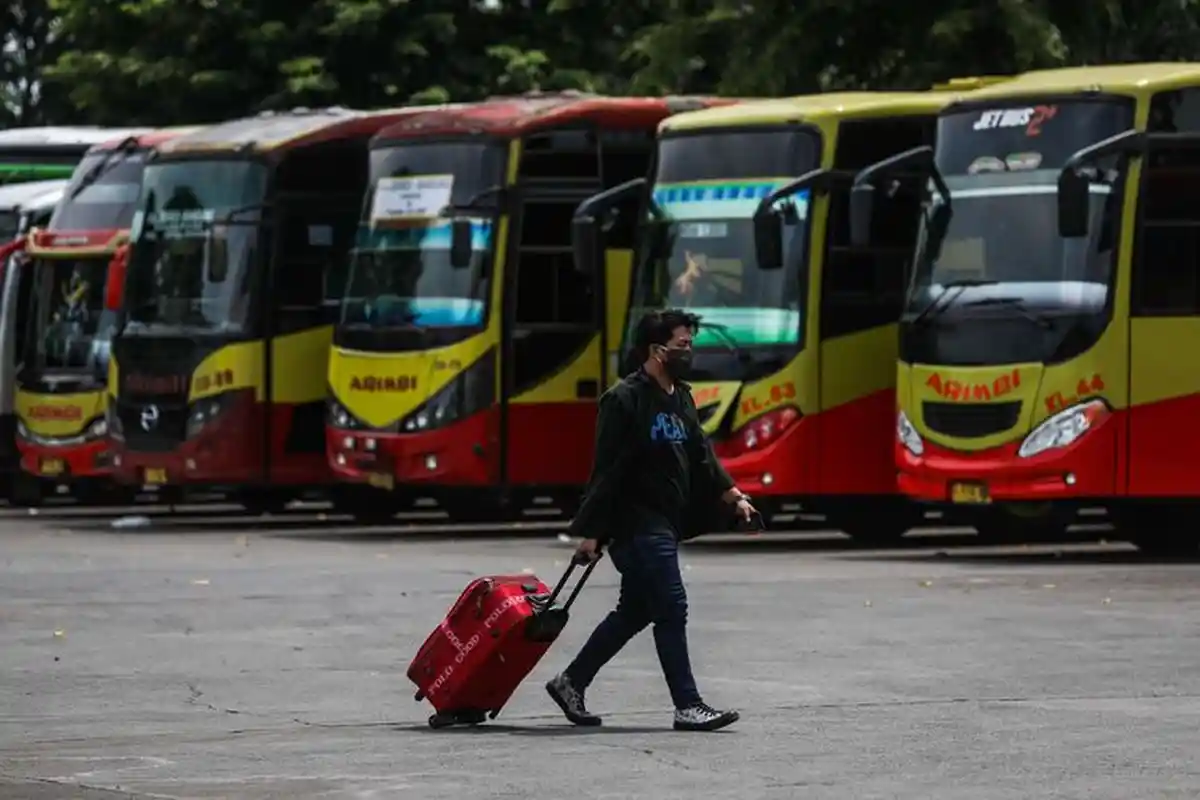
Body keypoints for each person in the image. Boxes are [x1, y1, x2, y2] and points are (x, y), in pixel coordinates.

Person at [545, 308, 758, 732]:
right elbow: (605, 471)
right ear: (657, 350)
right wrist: (591, 532)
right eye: (683, 344)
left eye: (691, 344)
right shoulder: (623, 399)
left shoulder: (681, 396)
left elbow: (701, 454)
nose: (690, 351)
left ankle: (570, 682)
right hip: (634, 523)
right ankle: (688, 705)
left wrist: (733, 495)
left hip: (666, 518)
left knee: (636, 610)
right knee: (672, 606)